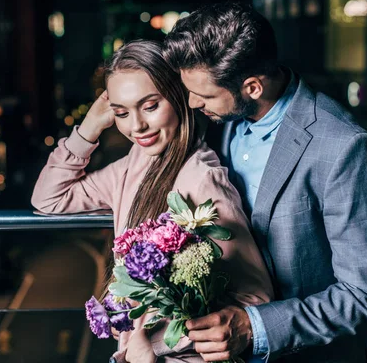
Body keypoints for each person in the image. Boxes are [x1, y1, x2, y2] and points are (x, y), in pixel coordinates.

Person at [162, 1, 367, 362]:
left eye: (204, 95)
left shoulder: (343, 147)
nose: (192, 103)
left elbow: (366, 293)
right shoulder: (223, 123)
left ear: (252, 87)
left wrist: (255, 327)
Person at [31, 39, 273, 362]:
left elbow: (255, 299)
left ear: (179, 97)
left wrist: (157, 342)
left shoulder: (203, 178)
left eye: (150, 106)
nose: (136, 126)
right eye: (120, 112)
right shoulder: (136, 164)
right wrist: (89, 128)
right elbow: (49, 198)